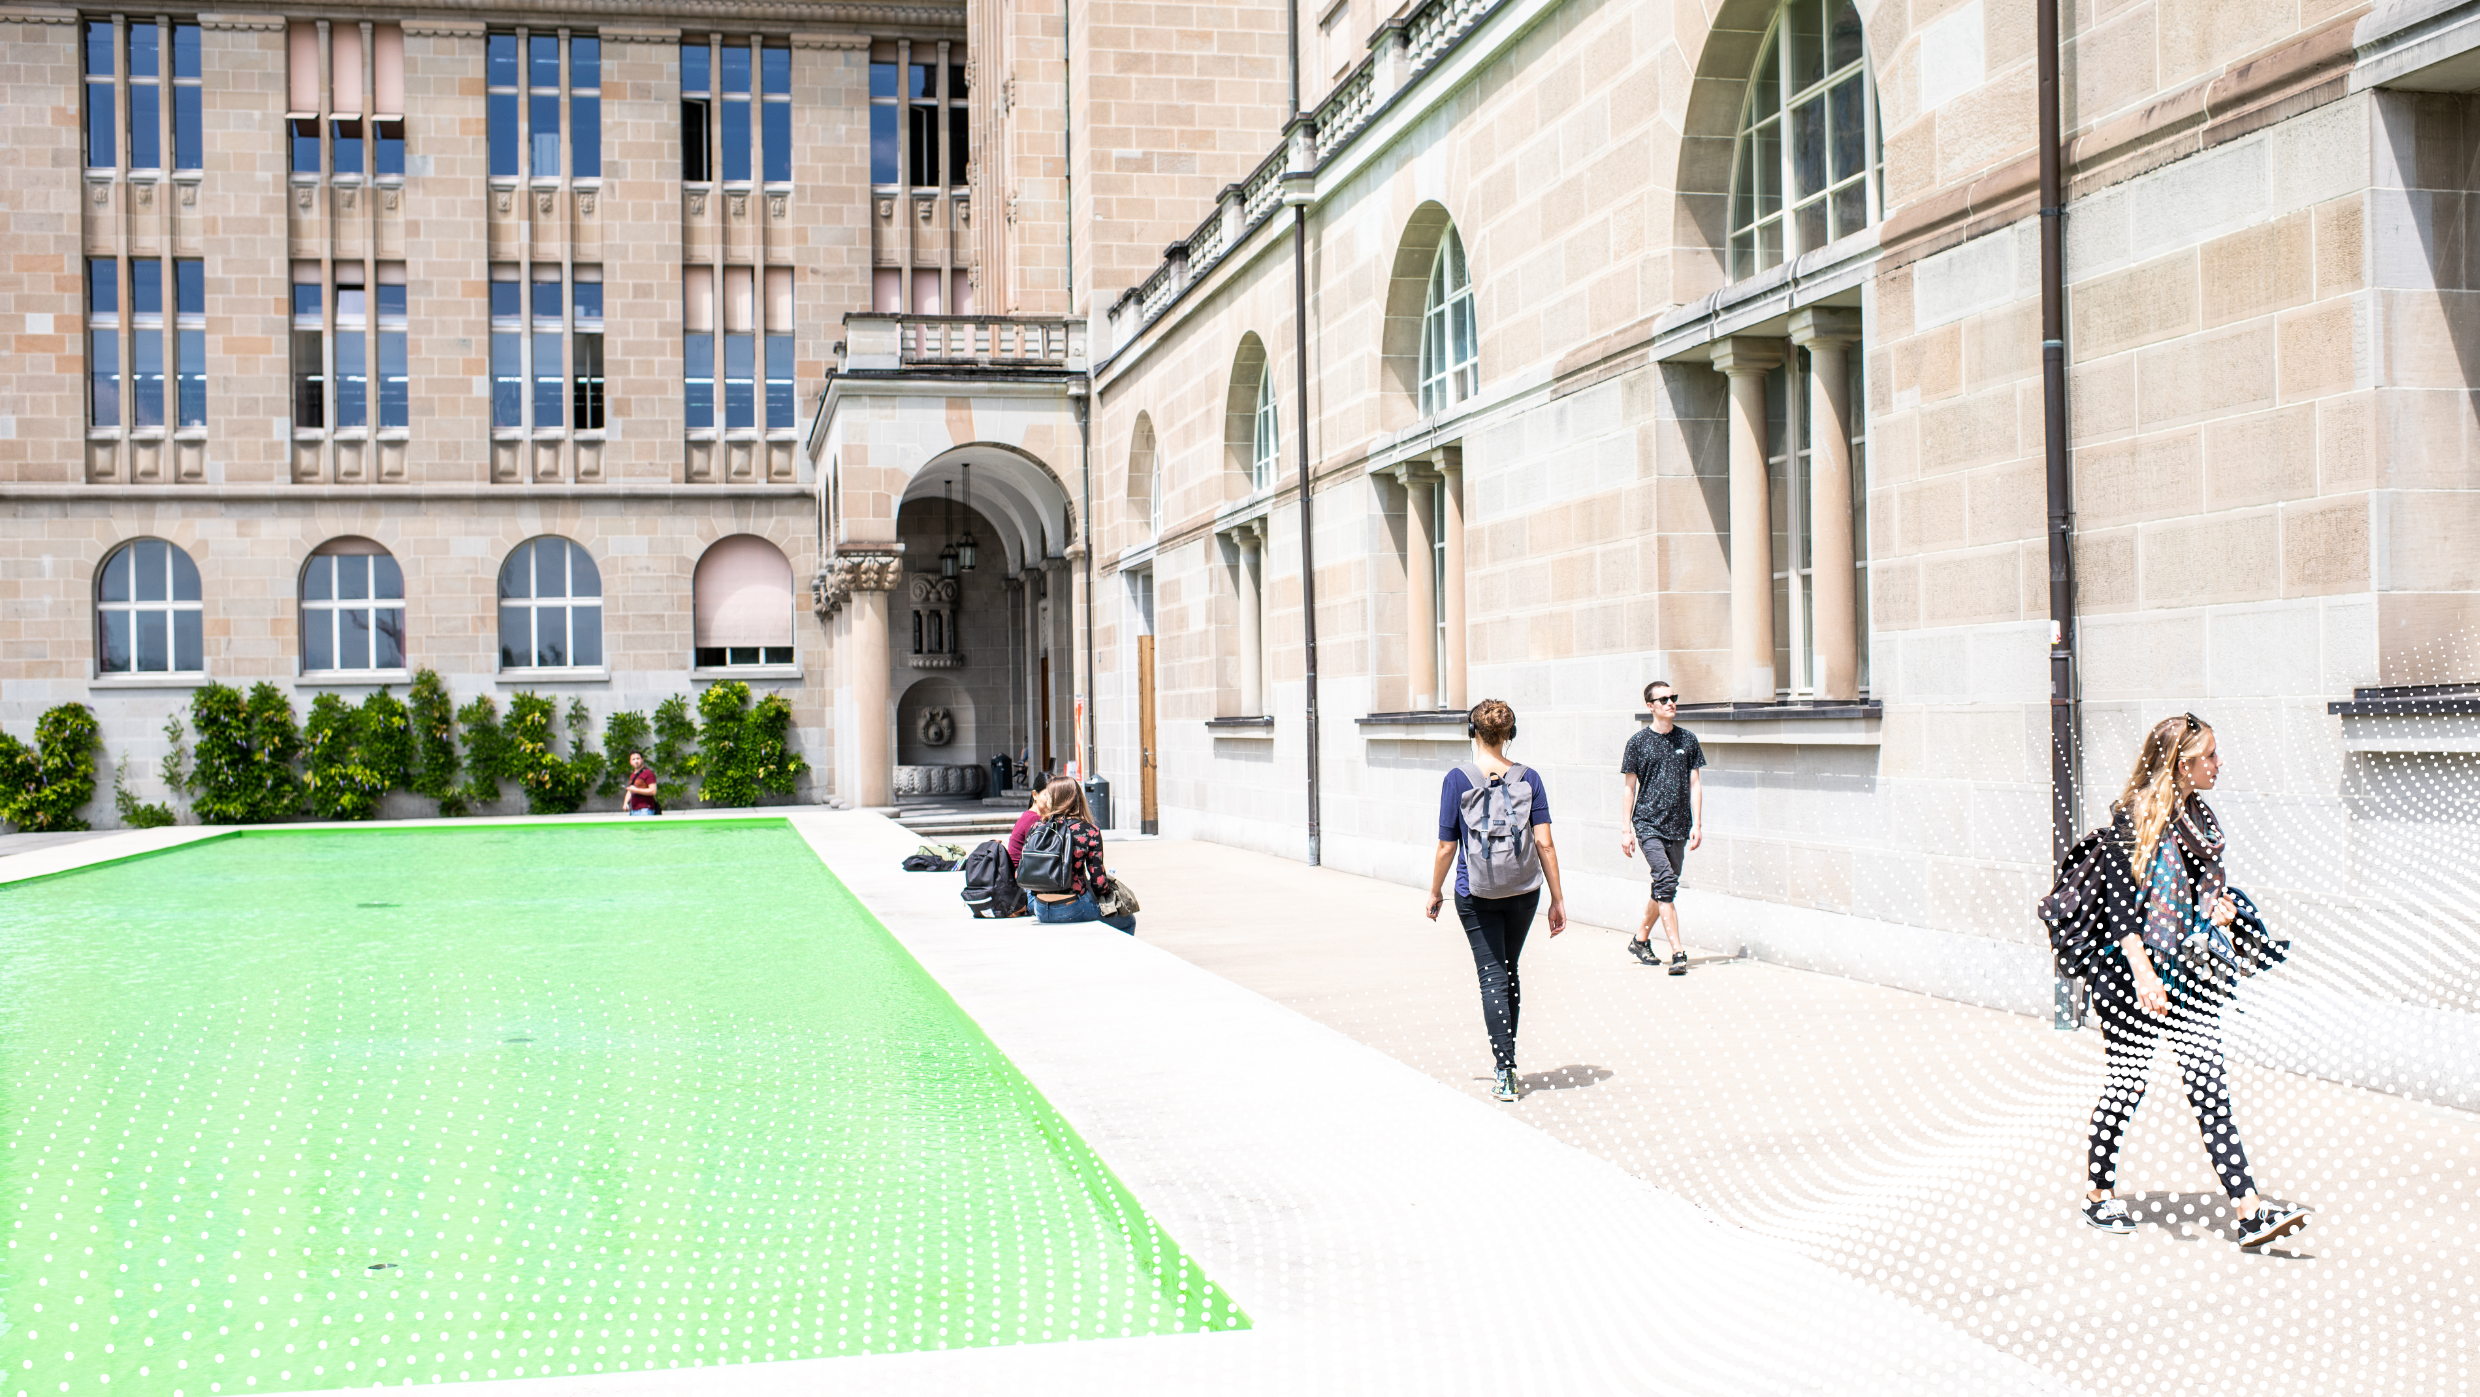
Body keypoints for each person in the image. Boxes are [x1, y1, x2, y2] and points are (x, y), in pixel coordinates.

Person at [2080, 713, 2310, 1251]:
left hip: (2188, 969)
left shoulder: (2198, 819)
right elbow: (2121, 912)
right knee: (2127, 1085)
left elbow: (2198, 889)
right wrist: (2143, 975)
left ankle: (2249, 1212)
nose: (2218, 763)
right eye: (2209, 755)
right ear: (2182, 764)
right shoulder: (2132, 819)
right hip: (2131, 972)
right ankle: (2098, 1194)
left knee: (2209, 1086)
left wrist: (2218, 908)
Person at [1425, 698, 1568, 1103]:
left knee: (1492, 975)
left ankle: (1505, 1070)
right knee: (1509, 970)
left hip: (1476, 892)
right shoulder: (1529, 778)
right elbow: (1545, 843)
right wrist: (1557, 899)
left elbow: (1446, 847)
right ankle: (1508, 1065)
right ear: (1510, 733)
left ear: (1473, 732)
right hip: (1524, 891)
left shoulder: (1457, 779)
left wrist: (1435, 891)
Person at [1617, 679, 1704, 974]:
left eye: (1673, 697)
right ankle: (1678, 953)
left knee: (1663, 885)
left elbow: (1695, 784)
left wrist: (1697, 823)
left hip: (1679, 826)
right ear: (1650, 706)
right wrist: (1626, 829)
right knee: (1666, 882)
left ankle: (1640, 940)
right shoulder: (1638, 742)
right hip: (1648, 824)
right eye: (1663, 699)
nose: (1670, 703)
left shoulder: (1687, 740)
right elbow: (1629, 788)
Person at [1022, 778, 1135, 935]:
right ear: (1077, 798)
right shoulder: (1089, 830)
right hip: (1073, 907)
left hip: (1040, 907)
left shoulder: (1036, 827)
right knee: (1128, 921)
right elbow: (1099, 882)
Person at [623, 751, 661, 816]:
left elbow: (653, 791)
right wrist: (625, 803)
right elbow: (630, 790)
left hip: (645, 809)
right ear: (630, 762)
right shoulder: (632, 775)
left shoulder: (648, 773)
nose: (636, 761)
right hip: (634, 809)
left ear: (642, 760)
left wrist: (636, 790)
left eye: (638, 758)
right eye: (633, 759)